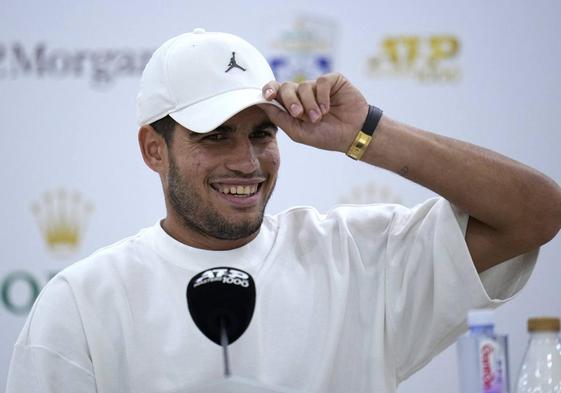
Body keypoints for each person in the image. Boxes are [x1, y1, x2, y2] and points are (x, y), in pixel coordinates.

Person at [6, 28, 561, 393]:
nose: (247, 161)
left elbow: (535, 213)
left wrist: (367, 132)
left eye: (262, 133)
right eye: (215, 136)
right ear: (155, 149)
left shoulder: (358, 259)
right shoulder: (80, 302)